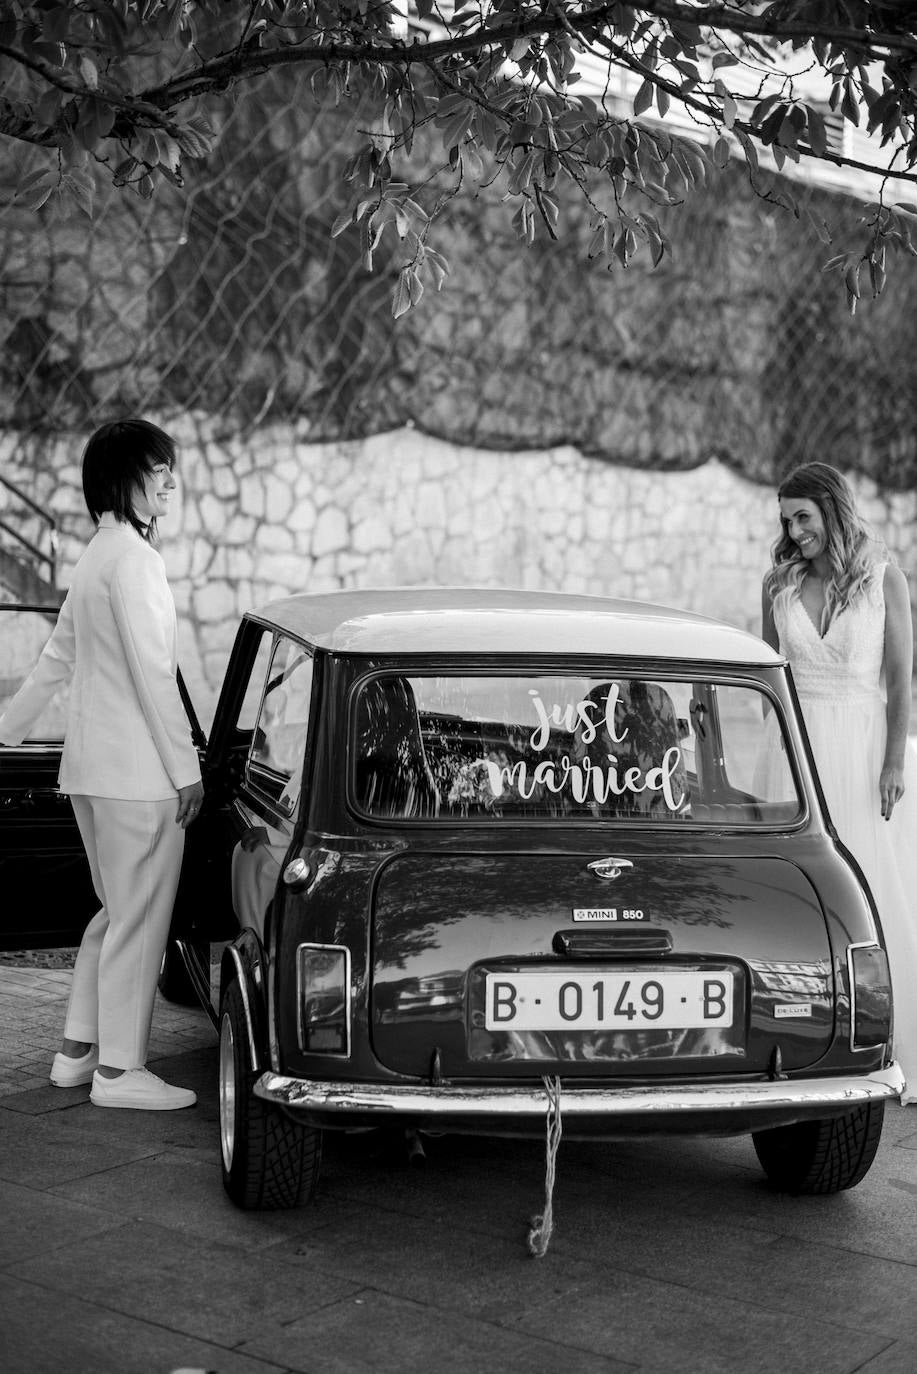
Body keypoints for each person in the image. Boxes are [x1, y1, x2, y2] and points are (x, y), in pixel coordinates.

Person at [0, 419, 203, 1110]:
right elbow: (154, 675)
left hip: (88, 774)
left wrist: (5, 732)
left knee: (113, 912)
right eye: (159, 470)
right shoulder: (136, 562)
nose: (171, 481)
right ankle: (120, 1072)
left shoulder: (94, 556)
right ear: (124, 479)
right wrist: (187, 772)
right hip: (139, 779)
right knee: (138, 919)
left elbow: (55, 659)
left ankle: (77, 1051)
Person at [761, 460, 917, 1103]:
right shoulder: (778, 585)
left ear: (832, 508)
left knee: (874, 891)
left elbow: (902, 680)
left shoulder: (885, 579)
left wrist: (893, 763)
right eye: (786, 520)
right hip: (797, 755)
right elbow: (771, 677)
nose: (796, 532)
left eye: (804, 517)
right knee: (805, 900)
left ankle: (889, 1043)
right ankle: (801, 1044)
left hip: (864, 750)